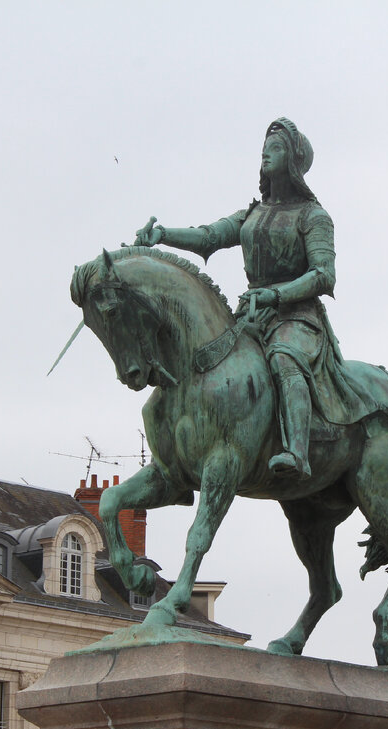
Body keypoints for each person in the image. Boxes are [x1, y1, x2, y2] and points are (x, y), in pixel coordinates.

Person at [134, 118, 343, 480]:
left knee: (283, 360)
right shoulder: (253, 214)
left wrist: (277, 293)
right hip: (251, 316)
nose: (266, 153)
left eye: (276, 147)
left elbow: (324, 274)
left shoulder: (314, 216)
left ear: (293, 161)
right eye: (265, 146)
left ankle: (298, 451)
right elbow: (209, 236)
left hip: (296, 318)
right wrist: (162, 234)